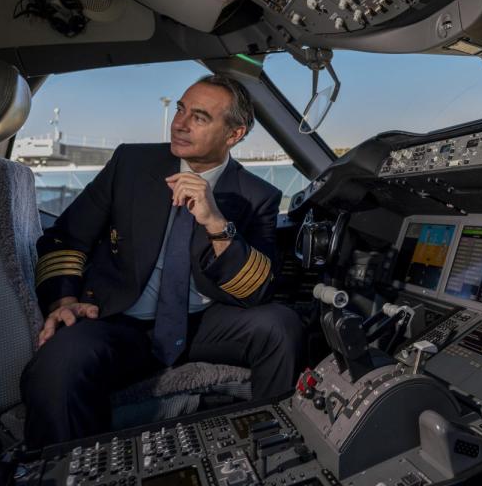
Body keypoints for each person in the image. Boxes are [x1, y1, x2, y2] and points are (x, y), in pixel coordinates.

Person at [20, 74, 302, 448]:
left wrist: (217, 224)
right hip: (121, 320)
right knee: (61, 359)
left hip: (203, 322)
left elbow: (256, 292)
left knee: (280, 325)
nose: (180, 123)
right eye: (181, 109)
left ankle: (274, 450)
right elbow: (66, 237)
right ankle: (64, 470)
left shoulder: (257, 195)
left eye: (199, 117)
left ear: (234, 135)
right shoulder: (131, 164)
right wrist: (65, 302)